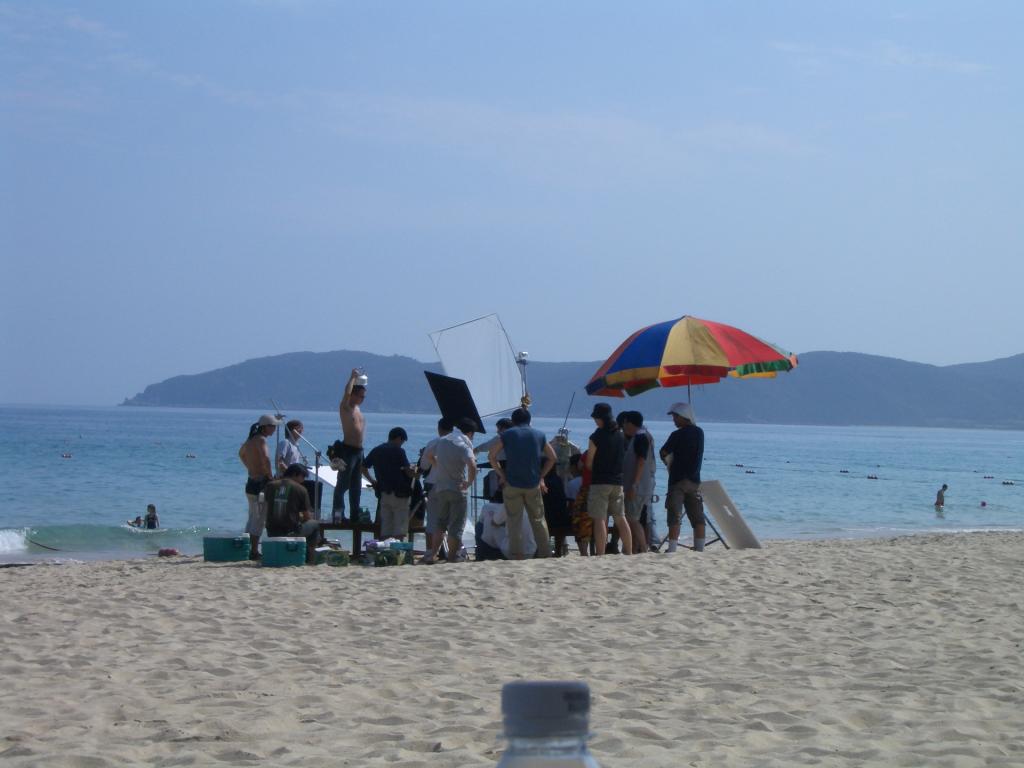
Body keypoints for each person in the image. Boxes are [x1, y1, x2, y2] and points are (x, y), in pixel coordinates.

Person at [488, 407, 556, 560]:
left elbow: (492, 456)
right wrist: (541, 476)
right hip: (533, 484)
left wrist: (502, 474)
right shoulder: (539, 434)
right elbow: (552, 457)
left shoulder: (507, 435)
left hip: (512, 483)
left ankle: (517, 554)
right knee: (538, 520)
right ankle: (545, 553)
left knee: (514, 521)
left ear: (513, 421)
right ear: (529, 420)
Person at [422, 417, 477, 563]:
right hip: (457, 488)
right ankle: (452, 557)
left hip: (441, 487)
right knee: (456, 526)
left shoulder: (443, 440)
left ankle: (433, 554)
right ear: (470, 433)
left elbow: (428, 455)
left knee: (440, 523)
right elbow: (472, 465)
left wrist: (437, 465)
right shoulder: (463, 445)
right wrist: (469, 482)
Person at [586, 403, 631, 556]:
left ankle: (600, 553)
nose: (595, 421)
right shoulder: (620, 435)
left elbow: (589, 462)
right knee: (620, 517)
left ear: (601, 418)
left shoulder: (596, 436)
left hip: (600, 481)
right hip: (617, 482)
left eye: (596, 418)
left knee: (599, 518)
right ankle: (629, 551)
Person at [660, 402, 705, 553]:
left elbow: (663, 452)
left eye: (675, 416)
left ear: (683, 416)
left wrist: (668, 462)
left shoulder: (676, 435)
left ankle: (672, 548)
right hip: (694, 480)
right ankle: (700, 548)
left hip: (677, 479)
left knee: (674, 515)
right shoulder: (699, 433)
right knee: (697, 517)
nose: (674, 420)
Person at [239, 413, 280, 559]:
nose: (274, 429)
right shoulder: (261, 440)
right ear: (265, 427)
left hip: (251, 482)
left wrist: (250, 467)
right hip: (261, 483)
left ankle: (246, 549)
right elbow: (266, 458)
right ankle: (254, 551)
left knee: (251, 517)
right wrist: (270, 476)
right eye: (273, 426)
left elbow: (241, 454)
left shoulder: (250, 440)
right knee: (259, 519)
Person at [362, 427, 415, 540]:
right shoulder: (399, 451)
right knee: (400, 528)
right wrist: (415, 471)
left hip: (384, 493)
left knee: (386, 528)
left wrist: (372, 481)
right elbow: (408, 472)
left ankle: (385, 549)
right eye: (402, 441)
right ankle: (397, 549)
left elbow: (363, 468)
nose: (401, 444)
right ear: (398, 438)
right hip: (400, 493)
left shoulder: (376, 450)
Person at [331, 369, 367, 523]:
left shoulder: (358, 409)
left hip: (359, 451)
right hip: (348, 450)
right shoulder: (346, 407)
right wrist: (352, 377)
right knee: (342, 484)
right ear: (353, 394)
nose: (362, 399)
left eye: (363, 397)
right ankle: (338, 515)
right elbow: (346, 393)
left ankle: (355, 515)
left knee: (356, 487)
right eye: (360, 396)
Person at [263, 463, 319, 563]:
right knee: (314, 524)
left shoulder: (270, 486)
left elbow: (267, 507)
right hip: (290, 532)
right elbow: (307, 517)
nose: (303, 480)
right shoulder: (301, 489)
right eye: (303, 477)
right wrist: (300, 517)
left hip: (271, 532)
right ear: (295, 474)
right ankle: (311, 558)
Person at [621, 411, 653, 554]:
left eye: (625, 423)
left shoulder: (640, 438)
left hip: (637, 487)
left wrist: (634, 485)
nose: (624, 426)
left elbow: (641, 462)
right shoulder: (639, 437)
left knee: (633, 519)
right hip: (638, 486)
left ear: (630, 423)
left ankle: (644, 548)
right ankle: (634, 549)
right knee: (632, 518)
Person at [566, 454, 592, 556]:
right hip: (594, 517)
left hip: (581, 517)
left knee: (578, 523)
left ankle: (583, 553)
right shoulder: (592, 480)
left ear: (574, 467)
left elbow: (571, 504)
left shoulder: (572, 483)